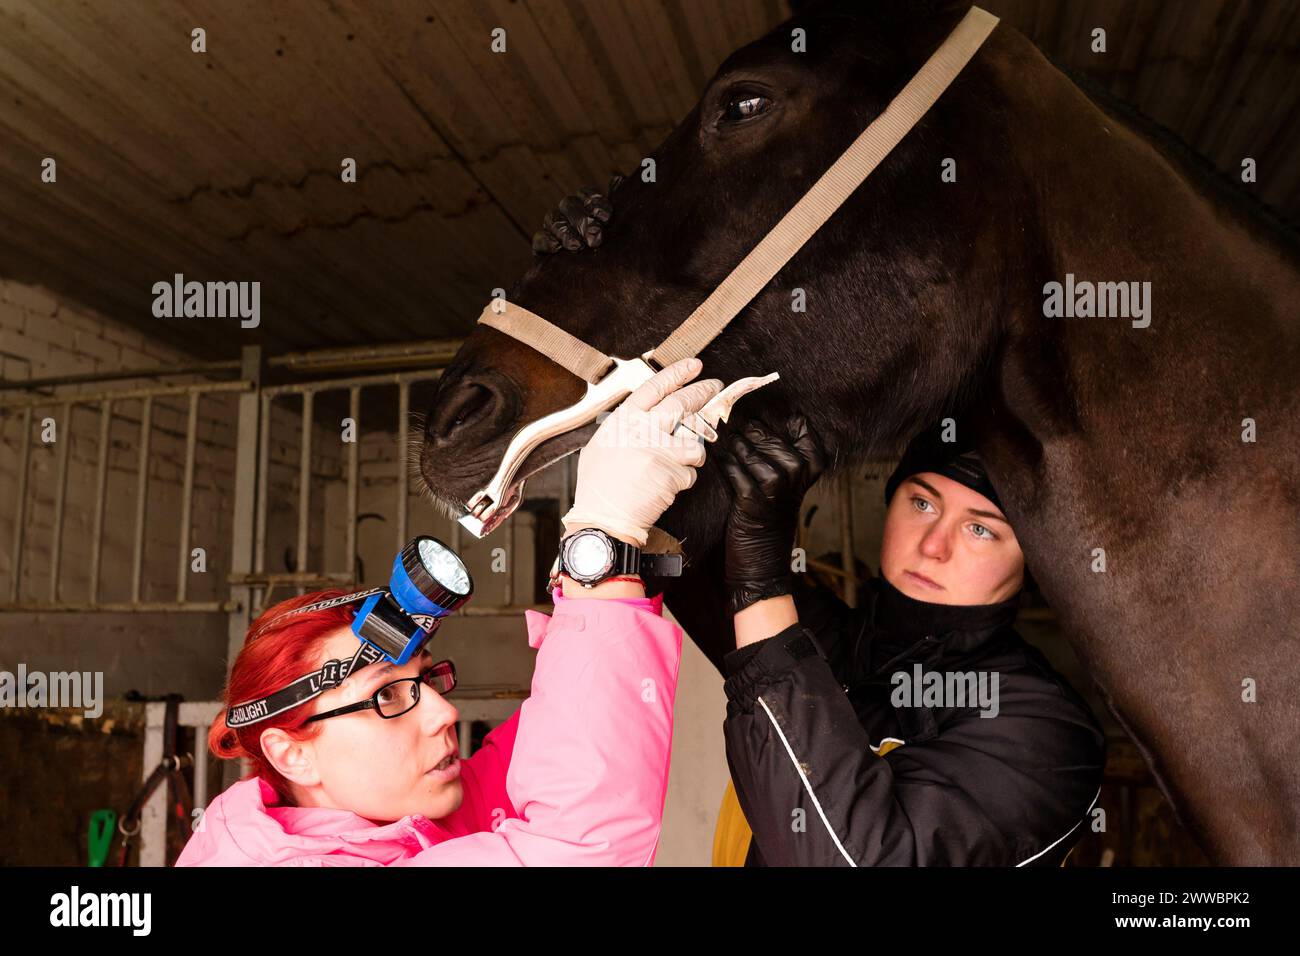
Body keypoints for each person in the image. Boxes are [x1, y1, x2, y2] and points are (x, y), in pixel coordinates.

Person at [176, 357, 723, 866]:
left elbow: (542, 759)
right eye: (386, 694)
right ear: (292, 756)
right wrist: (601, 547)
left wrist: (628, 555)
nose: (445, 714)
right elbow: (574, 846)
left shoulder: (398, 820)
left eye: (426, 679)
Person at [712, 418, 1106, 866]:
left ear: (1032, 564)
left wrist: (759, 585)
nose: (934, 545)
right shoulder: (829, 639)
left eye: (981, 529)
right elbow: (688, 554)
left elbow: (859, 859)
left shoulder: (1046, 732)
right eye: (922, 503)